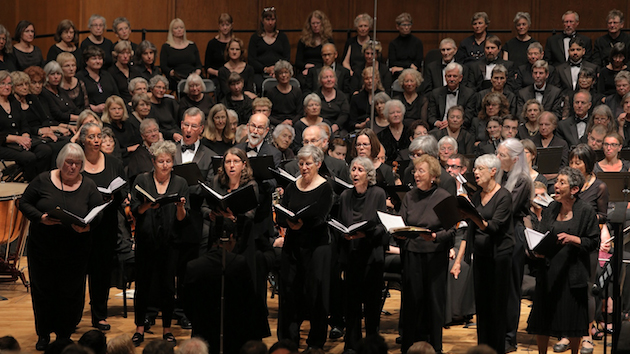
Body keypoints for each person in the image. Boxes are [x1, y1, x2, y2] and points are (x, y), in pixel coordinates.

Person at [19, 143, 104, 350]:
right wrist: (40, 218)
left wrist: (88, 226)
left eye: (77, 163)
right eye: (69, 162)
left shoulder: (89, 185)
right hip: (43, 250)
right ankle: (44, 334)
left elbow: (98, 212)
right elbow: (24, 203)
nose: (73, 167)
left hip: (75, 250)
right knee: (43, 291)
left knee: (70, 293)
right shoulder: (43, 180)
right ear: (60, 162)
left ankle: (64, 334)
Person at [526, 167, 600, 354]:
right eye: (556, 181)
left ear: (574, 190)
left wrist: (574, 239)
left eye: (561, 183)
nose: (556, 186)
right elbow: (542, 234)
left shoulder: (585, 210)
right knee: (543, 318)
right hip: (549, 270)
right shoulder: (551, 207)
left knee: (573, 319)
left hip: (572, 271)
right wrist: (538, 249)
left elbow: (593, 241)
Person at [451, 154, 514, 354]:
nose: (475, 173)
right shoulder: (476, 196)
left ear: (493, 171)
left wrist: (472, 216)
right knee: (483, 306)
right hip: (481, 255)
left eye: (480, 169)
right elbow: (471, 228)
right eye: (475, 169)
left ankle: (496, 349)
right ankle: (483, 348)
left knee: (496, 306)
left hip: (499, 257)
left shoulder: (504, 196)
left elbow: (493, 227)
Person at [130, 140, 189, 346]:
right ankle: (139, 328)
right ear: (153, 161)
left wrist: (180, 206)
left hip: (170, 241)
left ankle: (167, 329)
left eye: (169, 161)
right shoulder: (142, 180)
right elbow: (135, 210)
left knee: (167, 287)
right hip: (146, 240)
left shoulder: (180, 183)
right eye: (161, 161)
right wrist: (147, 206)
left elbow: (182, 218)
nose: (165, 165)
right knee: (143, 285)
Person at [276, 144, 334, 349]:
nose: (304, 167)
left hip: (316, 247)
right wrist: (288, 222)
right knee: (290, 292)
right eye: (301, 163)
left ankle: (315, 342)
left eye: (308, 163)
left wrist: (302, 223)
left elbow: (321, 216)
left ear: (318, 164)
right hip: (293, 245)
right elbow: (283, 211)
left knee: (315, 294)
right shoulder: (293, 186)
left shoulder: (325, 187)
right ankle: (288, 339)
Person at [398, 154, 455, 353]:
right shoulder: (410, 196)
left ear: (433, 175)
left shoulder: (443, 196)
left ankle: (434, 347)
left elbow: (451, 230)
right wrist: (400, 234)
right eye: (415, 171)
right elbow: (401, 221)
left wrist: (436, 236)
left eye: (421, 171)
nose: (416, 175)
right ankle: (410, 346)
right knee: (413, 301)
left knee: (433, 302)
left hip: (435, 256)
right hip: (412, 253)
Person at [78, 122, 128, 332]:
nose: (97, 140)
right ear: (83, 140)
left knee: (101, 273)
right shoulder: (76, 162)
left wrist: (114, 196)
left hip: (106, 224)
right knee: (78, 272)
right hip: (80, 225)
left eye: (99, 136)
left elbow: (122, 193)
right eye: (91, 137)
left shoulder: (114, 162)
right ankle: (73, 316)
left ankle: (99, 315)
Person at [336, 157, 387, 352]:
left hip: (372, 256)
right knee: (352, 305)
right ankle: (352, 345)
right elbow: (341, 224)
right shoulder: (345, 196)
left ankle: (373, 346)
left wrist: (364, 233)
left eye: (360, 170)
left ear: (369, 174)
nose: (355, 173)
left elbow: (382, 226)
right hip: (351, 256)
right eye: (353, 169)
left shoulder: (378, 194)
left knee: (372, 306)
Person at [496, 139, 534, 353]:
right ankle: (496, 331)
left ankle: (509, 337)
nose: (498, 158)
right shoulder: (501, 174)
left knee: (511, 289)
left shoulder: (522, 180)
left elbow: (506, 208)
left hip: (513, 235)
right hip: (498, 234)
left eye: (502, 155)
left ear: (515, 158)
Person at [0, 70, 52, 181]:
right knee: (29, 157)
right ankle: (30, 183)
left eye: (9, 84)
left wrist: (26, 136)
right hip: (3, 144)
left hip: (19, 141)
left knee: (45, 150)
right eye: (3, 83)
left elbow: (24, 124)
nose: (7, 87)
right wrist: (17, 138)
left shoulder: (14, 102)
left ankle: (41, 180)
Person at [248, 7, 291, 92]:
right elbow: (251, 59)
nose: (270, 22)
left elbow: (287, 57)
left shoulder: (282, 37)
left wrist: (277, 69)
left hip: (280, 72)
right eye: (267, 19)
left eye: (272, 19)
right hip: (260, 73)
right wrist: (266, 69)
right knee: (259, 85)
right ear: (262, 20)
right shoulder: (255, 37)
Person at [427, 62, 478, 130]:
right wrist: (437, 122)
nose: (451, 79)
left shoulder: (469, 94)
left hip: (460, 128)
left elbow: (468, 118)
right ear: (445, 77)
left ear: (460, 78)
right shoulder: (436, 93)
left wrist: (452, 123)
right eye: (449, 76)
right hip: (440, 127)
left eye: (455, 76)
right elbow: (431, 116)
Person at [160, 18, 202, 90]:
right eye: (176, 28)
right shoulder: (166, 47)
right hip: (175, 78)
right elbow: (163, 66)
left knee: (196, 85)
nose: (179, 30)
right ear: (172, 31)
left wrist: (195, 75)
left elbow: (198, 65)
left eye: (181, 28)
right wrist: (173, 74)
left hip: (193, 77)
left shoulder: (192, 45)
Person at [76, 46, 119, 114]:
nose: (98, 61)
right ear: (86, 61)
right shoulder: (79, 77)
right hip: (89, 113)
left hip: (110, 113)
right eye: (94, 59)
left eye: (100, 58)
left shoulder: (107, 75)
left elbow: (116, 95)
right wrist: (94, 108)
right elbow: (77, 102)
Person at [101, 95, 141, 163]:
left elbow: (138, 140)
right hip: (119, 159)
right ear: (108, 111)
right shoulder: (106, 128)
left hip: (134, 155)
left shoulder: (128, 123)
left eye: (120, 108)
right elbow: (112, 150)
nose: (117, 111)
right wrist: (128, 149)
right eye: (113, 109)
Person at [40, 60, 82, 125]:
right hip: (60, 124)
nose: (56, 77)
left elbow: (74, 109)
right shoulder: (44, 92)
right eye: (52, 74)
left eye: (58, 74)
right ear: (47, 76)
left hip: (72, 122)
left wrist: (86, 115)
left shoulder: (61, 90)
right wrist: (81, 118)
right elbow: (58, 115)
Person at [295, 10, 334, 77]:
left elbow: (331, 60)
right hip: (306, 70)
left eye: (318, 23)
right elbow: (298, 62)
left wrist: (314, 69)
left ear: (322, 24)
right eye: (313, 23)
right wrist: (306, 66)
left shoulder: (328, 40)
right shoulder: (303, 40)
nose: (315, 25)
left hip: (322, 70)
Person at [265, 60, 303, 127]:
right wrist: (280, 123)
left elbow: (300, 113)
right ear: (276, 76)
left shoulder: (297, 91)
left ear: (290, 74)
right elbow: (268, 113)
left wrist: (291, 122)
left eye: (286, 72)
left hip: (293, 123)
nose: (283, 75)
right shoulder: (271, 92)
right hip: (275, 124)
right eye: (280, 73)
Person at [316, 65, 350, 134]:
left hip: (337, 128)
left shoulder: (341, 96)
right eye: (326, 77)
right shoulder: (315, 96)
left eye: (331, 77)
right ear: (321, 80)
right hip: (319, 127)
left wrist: (336, 126)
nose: (329, 80)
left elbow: (345, 113)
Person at [388, 13, 423, 79]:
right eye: (404, 25)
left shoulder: (417, 42)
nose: (406, 27)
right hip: (398, 74)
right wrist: (409, 65)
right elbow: (392, 62)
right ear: (397, 27)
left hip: (414, 73)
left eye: (408, 25)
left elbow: (418, 63)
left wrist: (400, 67)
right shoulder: (393, 43)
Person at [349, 66, 384, 131]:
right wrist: (360, 125)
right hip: (360, 130)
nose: (370, 81)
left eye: (372, 78)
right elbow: (351, 122)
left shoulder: (383, 97)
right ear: (363, 80)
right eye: (367, 78)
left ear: (377, 79)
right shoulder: (356, 98)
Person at [149, 75, 181, 141]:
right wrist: (172, 135)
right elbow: (156, 129)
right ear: (151, 89)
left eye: (163, 88)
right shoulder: (148, 106)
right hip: (163, 137)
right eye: (158, 87)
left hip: (177, 133)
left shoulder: (169, 102)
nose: (161, 90)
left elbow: (179, 120)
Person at [205, 13, 233, 86]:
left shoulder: (235, 43)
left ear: (231, 26)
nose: (225, 28)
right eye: (222, 25)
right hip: (216, 76)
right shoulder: (212, 43)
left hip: (232, 76)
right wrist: (218, 73)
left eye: (227, 25)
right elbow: (207, 67)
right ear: (219, 26)